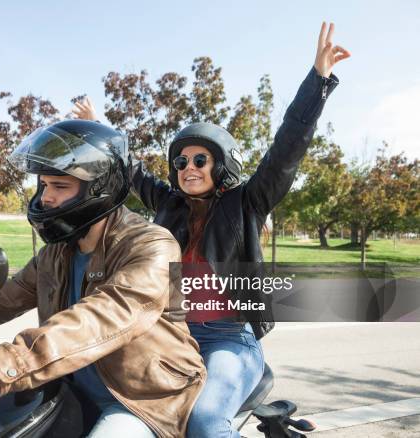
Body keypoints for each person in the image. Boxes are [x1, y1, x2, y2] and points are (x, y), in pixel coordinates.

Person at [72, 22, 350, 438]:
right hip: (170, 336)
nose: (188, 169)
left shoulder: (247, 203)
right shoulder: (169, 206)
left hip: (229, 340)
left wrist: (318, 82)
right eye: (181, 162)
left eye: (199, 160)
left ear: (222, 164)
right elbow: (131, 171)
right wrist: (101, 128)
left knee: (204, 421)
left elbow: (287, 150)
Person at [0, 120, 206, 438]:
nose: (46, 198)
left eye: (60, 187)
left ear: (100, 188)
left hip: (144, 399)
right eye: (44, 185)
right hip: (71, 386)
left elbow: (105, 316)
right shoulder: (57, 253)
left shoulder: (152, 245)